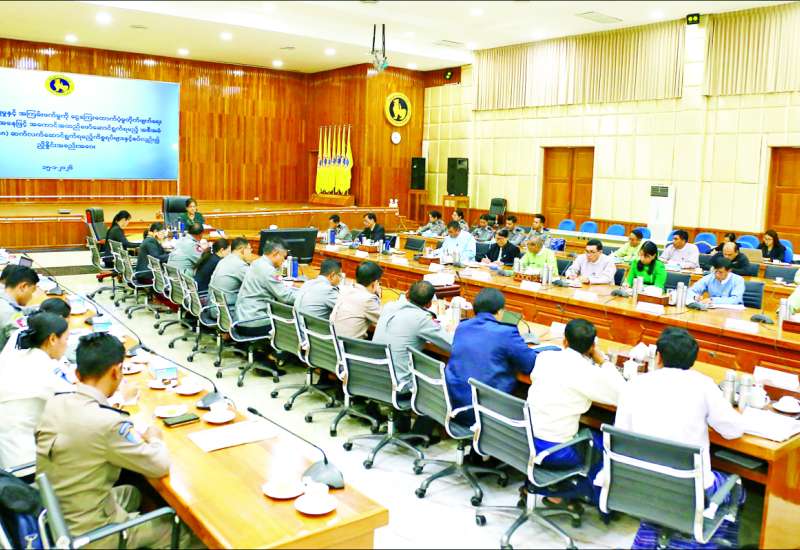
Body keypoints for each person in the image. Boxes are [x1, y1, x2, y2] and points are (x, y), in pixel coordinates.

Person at [35, 332, 191, 549]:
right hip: (90, 535)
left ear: (77, 373)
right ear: (117, 371)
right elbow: (159, 465)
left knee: (132, 493)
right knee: (182, 531)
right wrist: (155, 439)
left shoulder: (56, 403)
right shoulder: (107, 423)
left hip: (60, 514)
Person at [613, 328, 745, 547]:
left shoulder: (634, 384)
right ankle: (715, 543)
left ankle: (653, 533)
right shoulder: (703, 385)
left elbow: (621, 435)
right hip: (691, 491)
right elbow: (733, 431)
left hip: (640, 484)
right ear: (693, 361)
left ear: (658, 357)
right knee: (737, 490)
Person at [527, 319, 626, 504]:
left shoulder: (544, 358)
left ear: (564, 341)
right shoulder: (588, 372)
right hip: (555, 452)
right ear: (592, 347)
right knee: (604, 445)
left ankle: (555, 488)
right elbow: (622, 395)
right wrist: (603, 361)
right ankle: (580, 495)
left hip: (525, 440)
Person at [445, 288, 557, 426]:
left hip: (453, 404)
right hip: (483, 412)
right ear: (499, 312)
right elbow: (529, 365)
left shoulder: (462, 326)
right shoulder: (506, 332)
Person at [0, 312, 72, 469]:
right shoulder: (45, 368)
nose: (67, 345)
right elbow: (79, 403)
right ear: (52, 339)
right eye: (66, 339)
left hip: (7, 454)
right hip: (24, 464)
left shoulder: (14, 355)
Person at [372, 280, 453, 392]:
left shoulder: (388, 306)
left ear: (406, 294)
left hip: (373, 377)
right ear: (429, 304)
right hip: (399, 386)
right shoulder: (422, 319)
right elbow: (452, 345)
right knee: (438, 361)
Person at [235, 240, 296, 337]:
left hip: (242, 318)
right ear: (275, 253)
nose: (284, 261)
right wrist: (305, 296)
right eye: (283, 257)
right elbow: (286, 297)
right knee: (293, 324)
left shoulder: (257, 263)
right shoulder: (268, 270)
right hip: (253, 323)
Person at [330, 260, 382, 339]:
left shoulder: (344, 291)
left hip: (333, 342)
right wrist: (377, 295)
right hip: (350, 345)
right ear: (375, 283)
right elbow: (383, 321)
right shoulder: (368, 300)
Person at [0, 265, 38, 350]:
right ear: (23, 287)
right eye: (32, 292)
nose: (31, 297)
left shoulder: (4, 300)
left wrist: (39, 308)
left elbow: (17, 309)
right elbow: (23, 344)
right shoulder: (10, 313)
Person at [209, 237, 251, 308]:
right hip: (228, 309)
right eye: (249, 249)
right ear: (242, 250)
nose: (250, 252)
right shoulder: (239, 265)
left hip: (213, 306)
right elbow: (256, 284)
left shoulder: (224, 260)